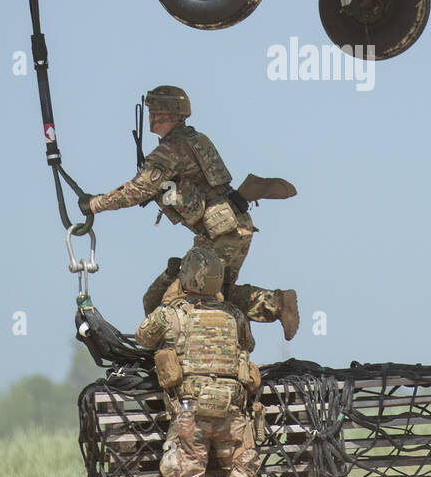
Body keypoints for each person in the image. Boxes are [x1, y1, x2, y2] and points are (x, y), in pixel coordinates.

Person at [81, 86, 300, 340]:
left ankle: (196, 353)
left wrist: (95, 204)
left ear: (166, 113)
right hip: (228, 229)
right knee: (214, 293)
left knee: (184, 300)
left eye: (154, 111)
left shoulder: (169, 150)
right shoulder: (195, 139)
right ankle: (276, 304)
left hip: (224, 233)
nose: (150, 116)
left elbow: (136, 190)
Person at [135, 246, 266, 477]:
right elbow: (247, 345)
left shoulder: (169, 315)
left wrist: (168, 293)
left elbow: (143, 337)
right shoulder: (235, 315)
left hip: (190, 411)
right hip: (232, 410)